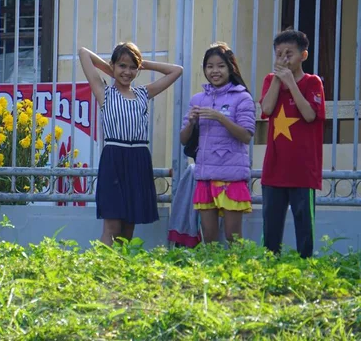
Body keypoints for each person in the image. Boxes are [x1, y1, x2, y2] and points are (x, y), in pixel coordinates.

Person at [79, 42, 183, 246]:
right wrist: (111, 69)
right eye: (122, 66)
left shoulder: (144, 93)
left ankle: (121, 271)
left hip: (138, 161)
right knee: (112, 226)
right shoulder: (104, 92)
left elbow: (176, 71)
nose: (127, 72)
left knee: (128, 227)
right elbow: (84, 53)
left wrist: (143, 64)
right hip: (114, 160)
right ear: (113, 66)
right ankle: (100, 271)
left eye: (132, 67)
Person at [179, 42, 256, 244]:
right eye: (210, 66)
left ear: (231, 68)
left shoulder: (243, 98)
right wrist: (192, 123)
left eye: (221, 66)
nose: (215, 71)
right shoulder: (197, 99)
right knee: (210, 238)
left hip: (231, 176)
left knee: (233, 237)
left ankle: (236, 274)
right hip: (205, 176)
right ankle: (211, 273)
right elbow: (183, 139)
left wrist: (220, 117)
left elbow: (246, 135)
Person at [260, 30, 325, 258]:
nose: (283, 58)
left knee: (304, 226)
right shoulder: (270, 80)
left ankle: (304, 269)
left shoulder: (313, 82)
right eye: (279, 54)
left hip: (303, 171)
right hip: (274, 169)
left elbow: (309, 115)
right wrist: (279, 79)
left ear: (303, 55)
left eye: (289, 53)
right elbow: (266, 109)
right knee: (271, 228)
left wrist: (291, 82)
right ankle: (269, 268)